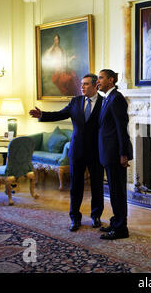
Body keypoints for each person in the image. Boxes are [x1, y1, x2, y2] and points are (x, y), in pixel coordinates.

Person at [29, 74, 104, 232]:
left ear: (95, 85)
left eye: (85, 84)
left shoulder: (104, 102)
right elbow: (60, 114)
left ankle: (96, 216)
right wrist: (42, 115)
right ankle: (75, 218)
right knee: (75, 187)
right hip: (77, 151)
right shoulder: (75, 101)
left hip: (97, 151)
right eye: (81, 84)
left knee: (97, 186)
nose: (81, 87)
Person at [97, 69, 133, 240]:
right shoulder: (107, 98)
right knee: (113, 191)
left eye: (101, 78)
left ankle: (120, 229)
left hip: (115, 155)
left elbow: (121, 129)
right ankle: (115, 221)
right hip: (108, 153)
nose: (98, 81)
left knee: (118, 192)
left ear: (111, 80)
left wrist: (123, 154)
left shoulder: (117, 98)